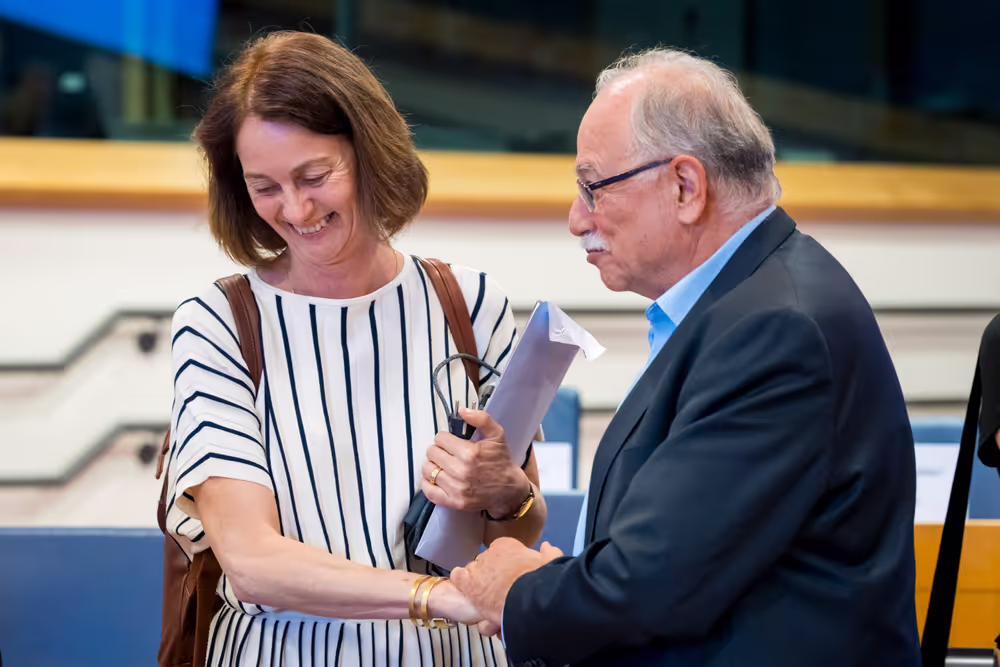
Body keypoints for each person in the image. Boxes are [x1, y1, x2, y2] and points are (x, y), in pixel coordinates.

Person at [451, 49, 921, 666]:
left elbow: (653, 582)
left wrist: (518, 592)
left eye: (593, 187)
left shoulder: (774, 329)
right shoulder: (750, 300)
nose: (576, 219)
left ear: (685, 187)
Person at [164, 31, 545, 666]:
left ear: (370, 152)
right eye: (264, 186)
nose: (296, 208)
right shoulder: (218, 323)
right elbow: (252, 563)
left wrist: (508, 494)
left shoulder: (472, 304)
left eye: (314, 176)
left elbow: (520, 531)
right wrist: (438, 597)